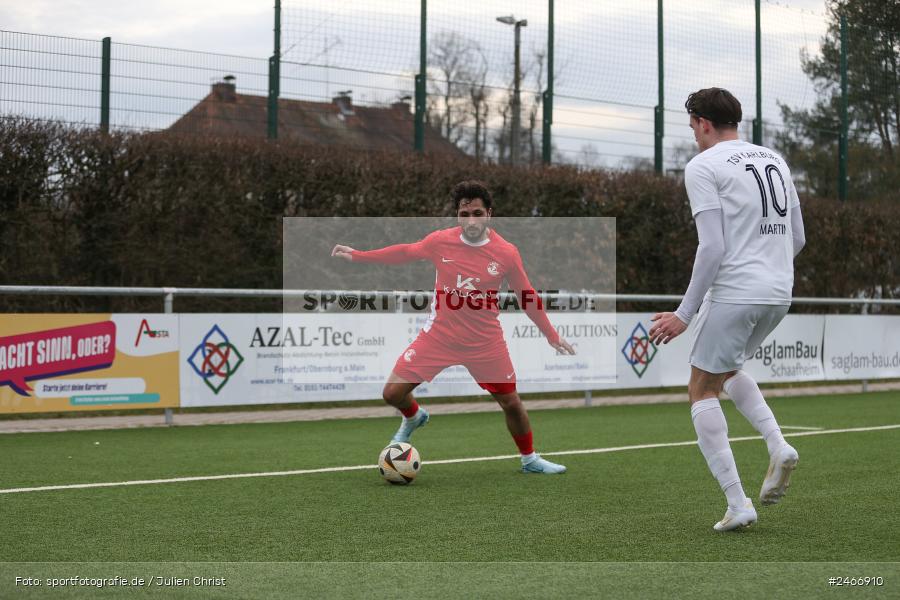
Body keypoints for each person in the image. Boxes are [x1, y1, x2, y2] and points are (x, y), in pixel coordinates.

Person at [332, 180, 575, 474]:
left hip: (485, 342)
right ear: (457, 216)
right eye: (464, 214)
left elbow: (527, 295)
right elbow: (405, 252)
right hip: (440, 336)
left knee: (511, 402)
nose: (471, 221)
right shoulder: (440, 241)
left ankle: (530, 459)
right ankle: (414, 416)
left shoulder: (506, 252)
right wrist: (357, 255)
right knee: (392, 394)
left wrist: (551, 334)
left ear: (489, 214)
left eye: (477, 213)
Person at [648, 88, 806, 531]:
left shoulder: (703, 165)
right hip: (779, 292)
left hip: (737, 291)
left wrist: (684, 313)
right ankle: (778, 444)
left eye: (692, 126)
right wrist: (768, 271)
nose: (693, 135)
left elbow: (712, 246)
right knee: (729, 370)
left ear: (702, 123)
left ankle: (738, 505)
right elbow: (798, 238)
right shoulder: (775, 159)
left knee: (701, 388)